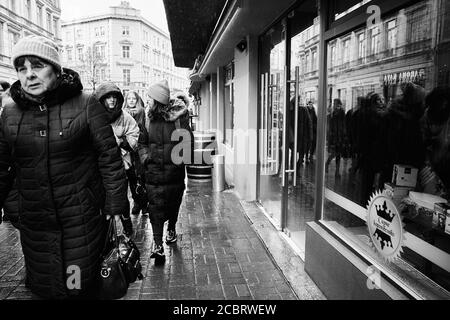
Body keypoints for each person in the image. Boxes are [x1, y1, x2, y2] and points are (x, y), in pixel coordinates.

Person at [0, 36, 129, 299]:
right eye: (21, 68)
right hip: (35, 225)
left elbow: (109, 157)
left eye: (37, 66)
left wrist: (115, 206)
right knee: (46, 287)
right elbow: (3, 167)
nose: (29, 75)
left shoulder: (86, 103)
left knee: (76, 285)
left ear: (56, 70)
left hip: (80, 220)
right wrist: (15, 207)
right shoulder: (10, 113)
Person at [138, 79, 193, 261]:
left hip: (174, 173)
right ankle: (158, 244)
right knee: (154, 207)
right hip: (153, 173)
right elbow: (142, 143)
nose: (148, 101)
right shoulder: (147, 119)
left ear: (158, 101)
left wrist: (178, 160)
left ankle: (171, 228)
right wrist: (146, 158)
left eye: (150, 98)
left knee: (173, 203)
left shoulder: (179, 118)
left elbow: (188, 142)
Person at [94, 82, 139, 235]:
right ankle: (106, 230)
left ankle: (127, 226)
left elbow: (134, 136)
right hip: (99, 164)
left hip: (120, 163)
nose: (112, 100)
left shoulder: (125, 117)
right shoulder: (94, 117)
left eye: (114, 97)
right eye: (108, 98)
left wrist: (121, 142)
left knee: (121, 194)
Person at [123, 90, 148, 216]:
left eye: (134, 98)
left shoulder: (142, 112)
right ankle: (137, 203)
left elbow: (145, 130)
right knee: (132, 178)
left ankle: (144, 204)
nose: (131, 101)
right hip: (128, 151)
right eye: (129, 99)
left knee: (142, 177)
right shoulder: (121, 114)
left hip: (140, 149)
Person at [325, 98, 346, 178]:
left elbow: (343, 125)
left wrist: (344, 136)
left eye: (336, 103)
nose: (334, 105)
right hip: (334, 136)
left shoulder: (341, 113)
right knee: (335, 153)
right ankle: (327, 163)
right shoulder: (333, 113)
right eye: (334, 103)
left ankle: (337, 172)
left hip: (339, 136)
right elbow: (331, 125)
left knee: (338, 155)